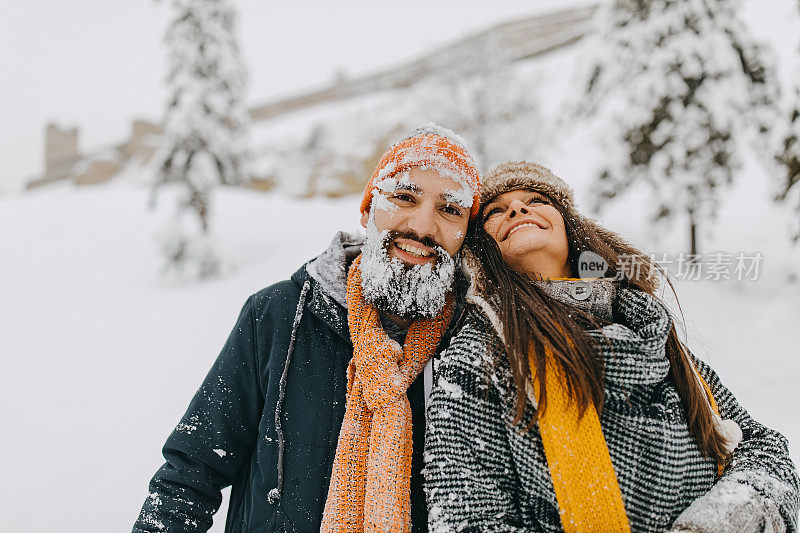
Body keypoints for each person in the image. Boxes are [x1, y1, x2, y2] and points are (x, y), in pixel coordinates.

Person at [132, 124, 482, 533]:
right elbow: (188, 477)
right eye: (404, 197)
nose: (423, 227)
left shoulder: (474, 346)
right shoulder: (276, 316)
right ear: (368, 210)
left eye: (450, 209)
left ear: (466, 236)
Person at [425, 161, 799, 532]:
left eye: (536, 200)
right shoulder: (475, 359)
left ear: (571, 228)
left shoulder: (653, 333)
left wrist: (715, 524)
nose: (517, 210)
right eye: (496, 211)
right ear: (481, 250)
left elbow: (764, 452)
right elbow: (466, 523)